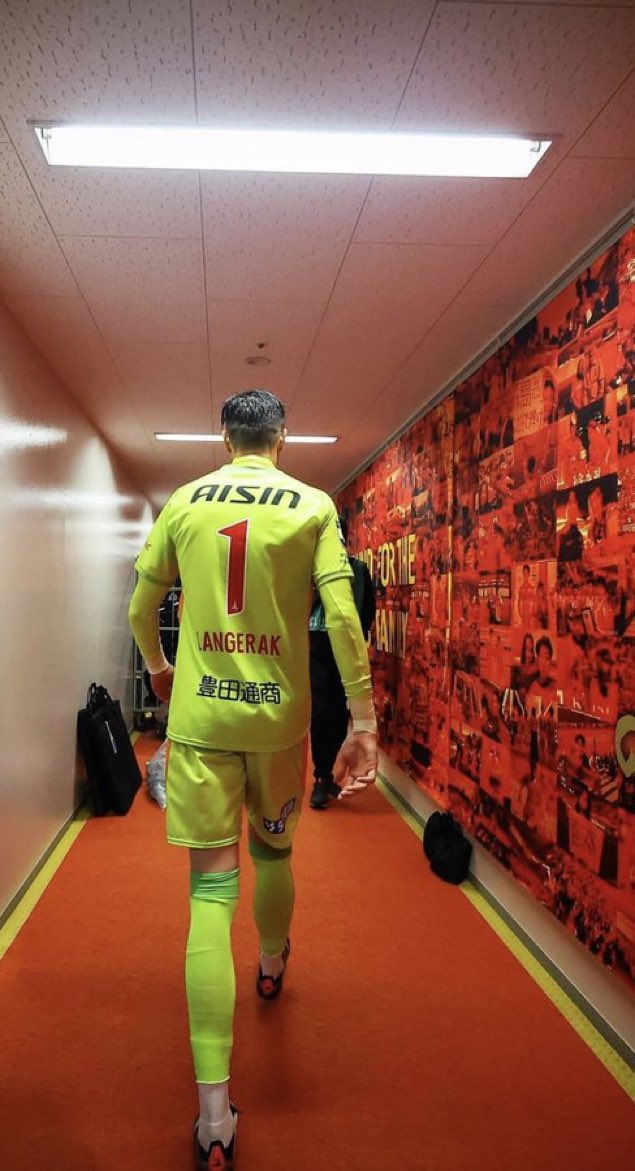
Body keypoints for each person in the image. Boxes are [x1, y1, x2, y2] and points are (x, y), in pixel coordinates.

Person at [127, 390, 377, 1169]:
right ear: (282, 438)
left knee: (208, 893)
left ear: (224, 437)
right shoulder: (311, 505)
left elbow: (142, 606)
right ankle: (271, 961)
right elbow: (340, 617)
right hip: (278, 725)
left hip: (201, 723)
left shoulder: (186, 501)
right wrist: (362, 719)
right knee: (274, 857)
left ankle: (212, 1116)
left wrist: (161, 669)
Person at [308, 515, 375, 810]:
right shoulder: (309, 572)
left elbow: (367, 611)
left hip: (344, 646)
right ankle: (322, 776)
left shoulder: (358, 570)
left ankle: (331, 773)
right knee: (320, 712)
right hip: (316, 644)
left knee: (335, 711)